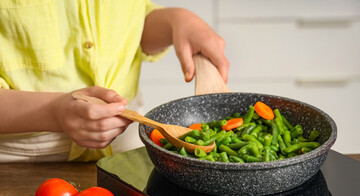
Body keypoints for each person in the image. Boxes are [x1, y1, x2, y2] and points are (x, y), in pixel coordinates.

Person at [0, 0, 229, 162]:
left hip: (126, 146)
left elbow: (130, 24)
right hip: (21, 158)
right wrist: (55, 111)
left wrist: (176, 20)